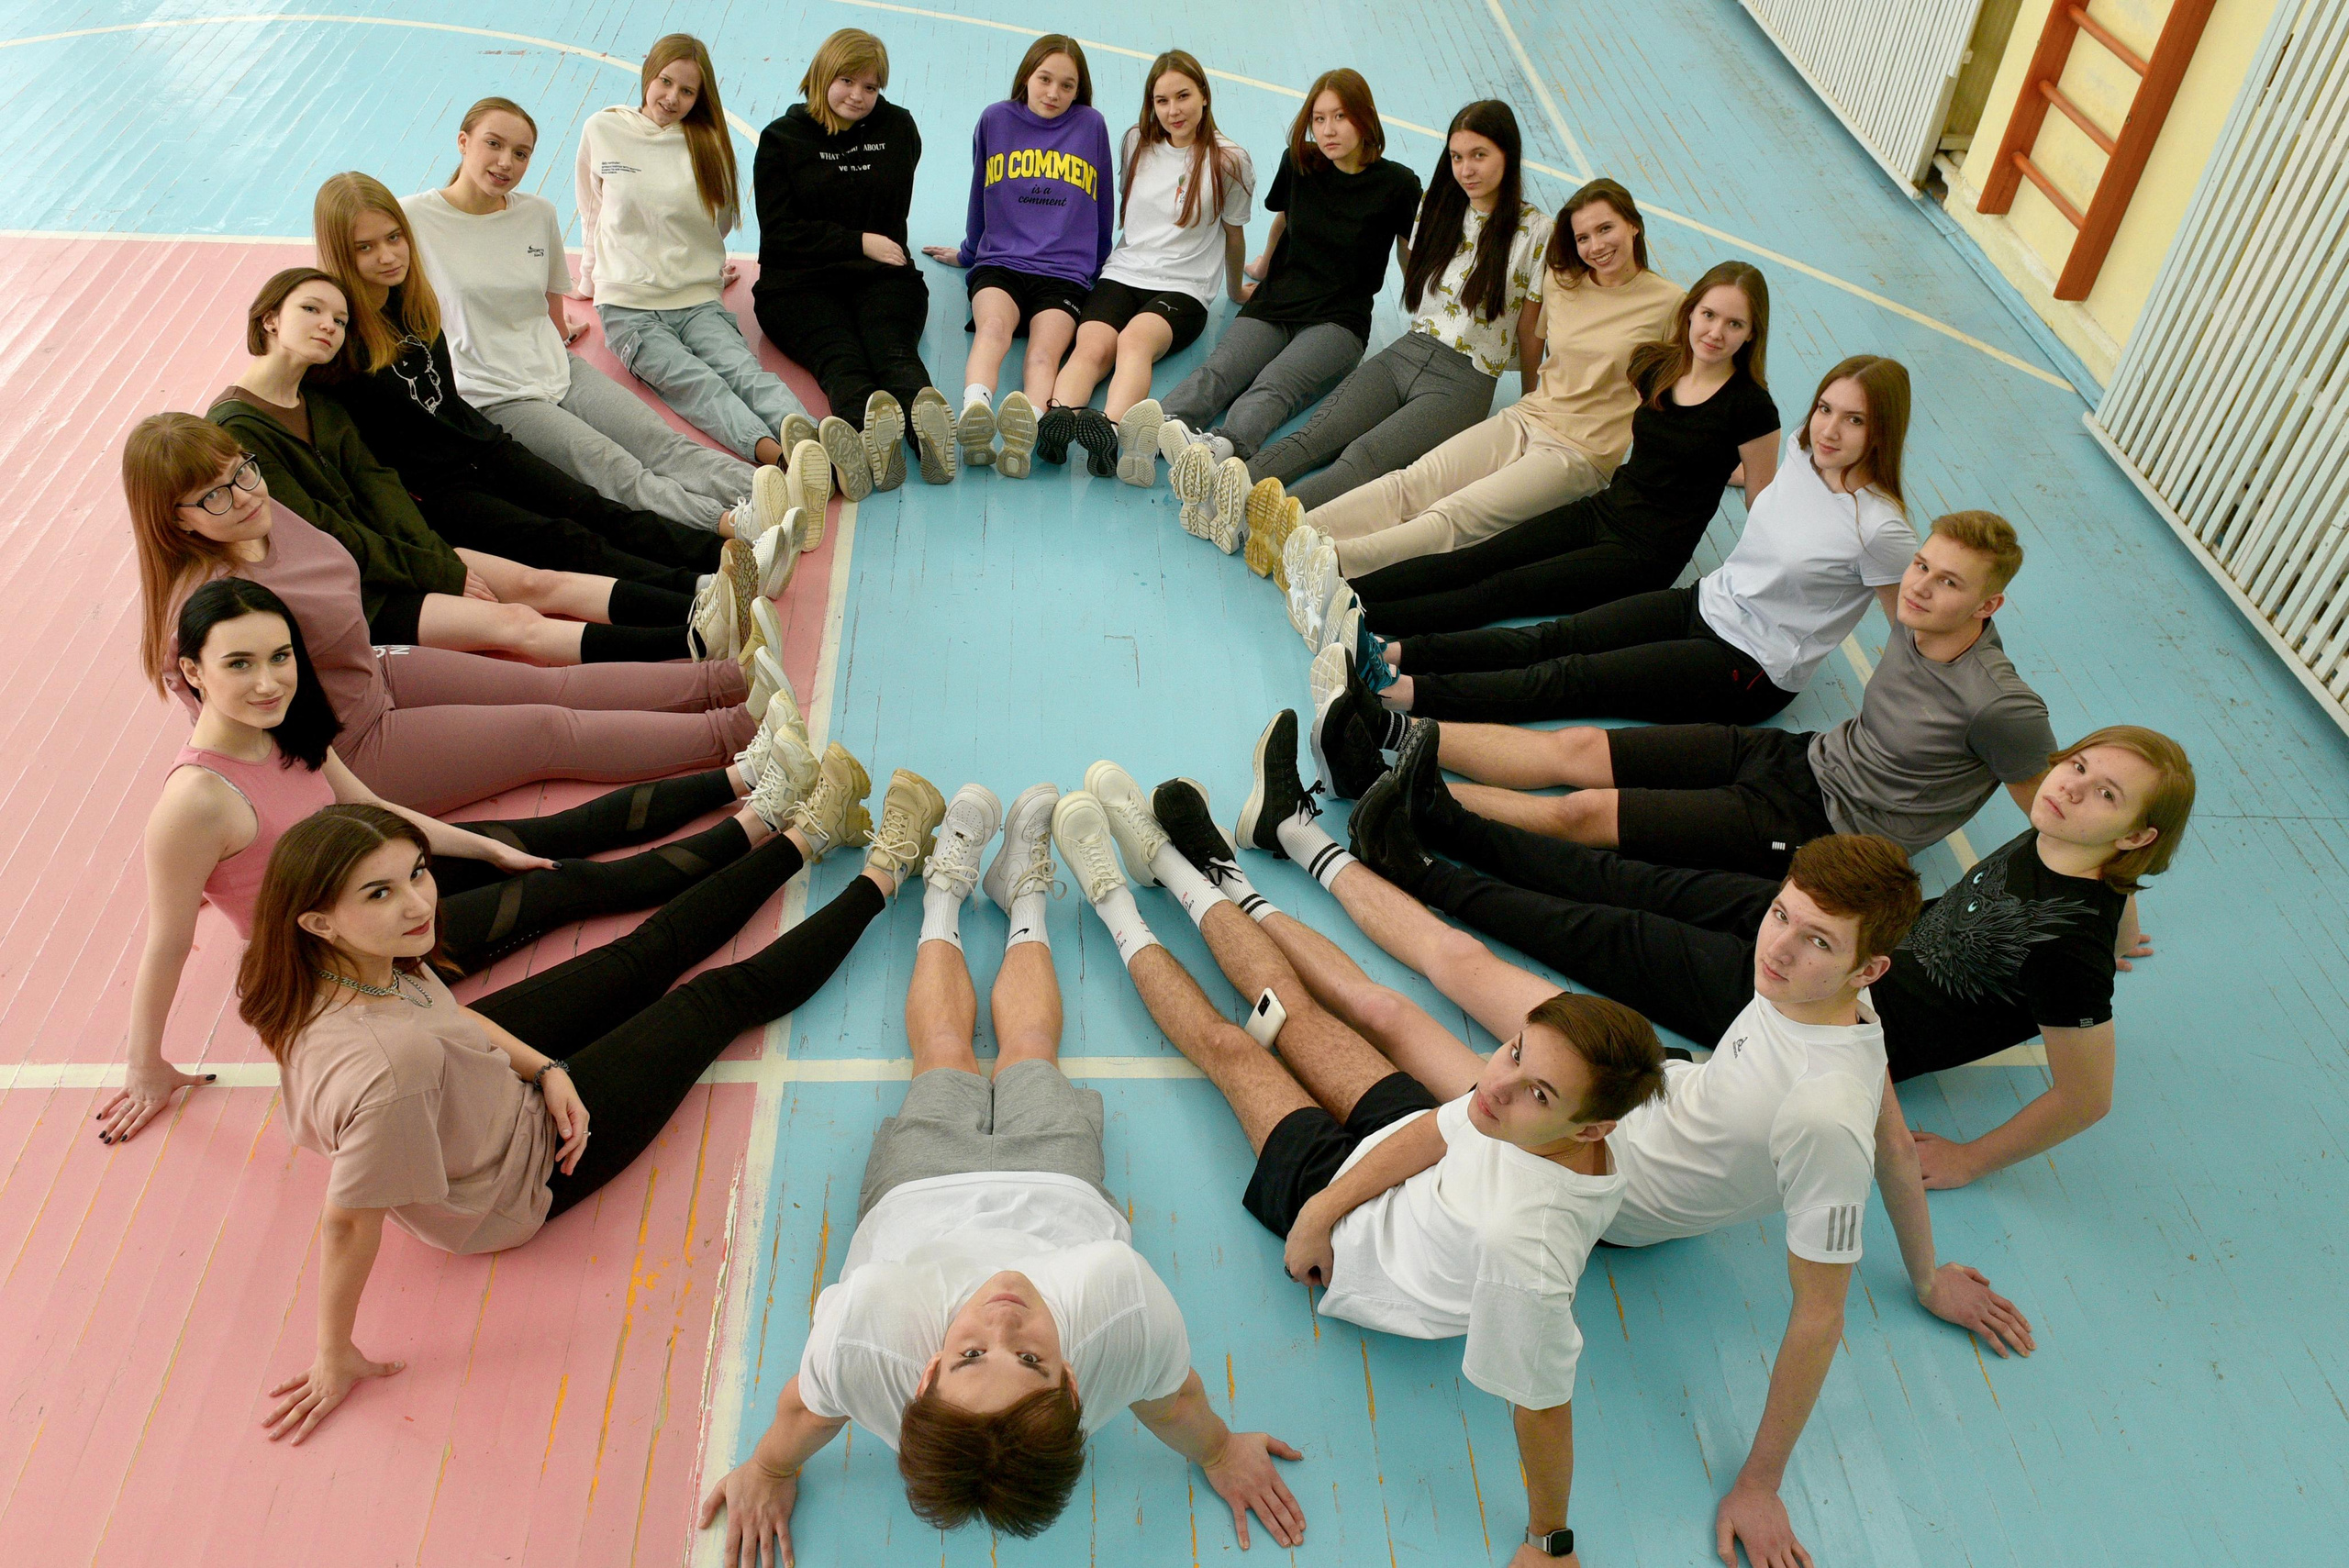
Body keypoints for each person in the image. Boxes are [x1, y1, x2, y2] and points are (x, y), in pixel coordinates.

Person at [1234, 722, 2032, 1568]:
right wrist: (1926, 1273)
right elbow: (1901, 1146)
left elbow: (1819, 1316)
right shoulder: (1846, 1012)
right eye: (1782, 915)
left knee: (1390, 1015)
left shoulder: (1820, 1114)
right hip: (1653, 1079)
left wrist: (1758, 1485)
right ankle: (1295, 833)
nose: (1780, 947)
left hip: (1590, 1153)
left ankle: (1251, 880)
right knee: (1459, 959)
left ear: (1869, 968)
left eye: (1818, 942)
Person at [1053, 751, 1661, 1568]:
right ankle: (1167, 860)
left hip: (1365, 1253)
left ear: (1590, 1129)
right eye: (1514, 1049)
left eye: (1538, 1090)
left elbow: (1544, 1407)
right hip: (1389, 1167)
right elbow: (1446, 1130)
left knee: (1231, 1045)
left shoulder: (1528, 1246)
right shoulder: (1513, 1110)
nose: (1498, 1081)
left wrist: (1549, 1541)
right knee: (1288, 1010)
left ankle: (1114, 899)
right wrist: (1326, 1201)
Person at [248, 757, 941, 1441]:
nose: (418, 903)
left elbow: (446, 1020)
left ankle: (805, 837)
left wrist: (549, 1068)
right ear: (318, 922)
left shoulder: (349, 967)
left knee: (641, 955)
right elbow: (348, 1220)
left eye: (418, 873)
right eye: (378, 893)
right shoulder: (389, 1072)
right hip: (522, 1170)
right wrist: (332, 1349)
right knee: (717, 998)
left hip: (477, 1076)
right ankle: (885, 872)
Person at [699, 780, 1305, 1562]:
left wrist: (769, 1465)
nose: (1001, 1319)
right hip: (1058, 1187)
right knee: (1028, 1052)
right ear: (1076, 1385)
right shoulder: (1114, 1301)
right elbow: (1174, 1398)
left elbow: (802, 1411)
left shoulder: (868, 1334)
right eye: (1029, 1359)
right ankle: (1024, 896)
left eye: (970, 1354)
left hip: (920, 1191)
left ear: (921, 1376)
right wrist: (1221, 1452)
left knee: (943, 1055)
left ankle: (944, 895)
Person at [99, 577, 818, 1146]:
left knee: (546, 834)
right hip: (343, 956)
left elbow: (372, 812)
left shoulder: (285, 728)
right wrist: (145, 1065)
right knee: (574, 887)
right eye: (240, 664)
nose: (268, 681)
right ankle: (761, 824)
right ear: (192, 670)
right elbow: (168, 941)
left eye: (281, 656)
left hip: (377, 879)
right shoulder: (194, 801)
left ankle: (745, 776)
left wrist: (486, 845)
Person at [1357, 715, 2194, 1185]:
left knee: (1614, 935)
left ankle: (1417, 867)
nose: (2071, 783)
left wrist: (1973, 1157)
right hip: (1838, 935)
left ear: (2136, 834)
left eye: (2104, 791)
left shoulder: (2069, 952)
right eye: (2078, 764)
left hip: (1815, 1006)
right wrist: (2126, 920)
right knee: (1637, 882)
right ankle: (1449, 818)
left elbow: (2088, 1098)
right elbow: (2116, 891)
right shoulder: (2064, 848)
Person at [1322, 511, 2056, 878]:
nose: (1922, 585)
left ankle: (1392, 789)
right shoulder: (1915, 620)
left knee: (1581, 814)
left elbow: (2055, 819)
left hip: (1825, 827)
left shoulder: (2002, 708)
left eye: (1949, 581)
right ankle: (1390, 728)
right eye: (1923, 566)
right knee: (1576, 744)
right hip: (1801, 756)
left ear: (1989, 606)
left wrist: (2109, 921)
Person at [127, 413, 766, 815]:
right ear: (173, 519)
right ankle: (737, 734)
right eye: (213, 494)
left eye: (242, 470)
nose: (242, 494)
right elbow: (236, 743)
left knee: (552, 681)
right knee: (547, 730)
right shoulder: (206, 607)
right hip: (350, 748)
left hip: (375, 670)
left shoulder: (262, 515)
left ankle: (730, 680)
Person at [210, 268, 755, 663]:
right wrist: (438, 569)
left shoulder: (322, 399)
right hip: (349, 592)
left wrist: (434, 557)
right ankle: (698, 639)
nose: (329, 325)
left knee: (540, 581)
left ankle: (709, 594)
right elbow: (327, 537)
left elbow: (378, 489)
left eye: (339, 317)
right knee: (519, 621)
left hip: (399, 552)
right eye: (311, 310)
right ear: (269, 317)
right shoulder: (239, 428)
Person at [1367, 354, 1907, 721]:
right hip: (1703, 604)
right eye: (1825, 409)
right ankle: (1392, 650)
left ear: (1883, 429)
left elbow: (1909, 632)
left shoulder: (1880, 529)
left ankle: (1405, 693)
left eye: (1854, 420)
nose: (1830, 430)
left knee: (1573, 678)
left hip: (1750, 666)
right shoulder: (1802, 454)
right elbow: (1756, 485)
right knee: (1554, 637)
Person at [315, 172, 757, 604]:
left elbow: (445, 402)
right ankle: (698, 589)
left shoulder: (410, 303)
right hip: (435, 491)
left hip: (479, 447)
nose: (388, 255)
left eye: (394, 237)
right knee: (563, 538)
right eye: (365, 247)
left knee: (588, 504)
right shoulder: (336, 343)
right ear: (338, 252)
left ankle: (723, 554)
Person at [1338, 261, 1780, 642]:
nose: (1716, 332)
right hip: (1602, 512)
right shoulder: (1659, 366)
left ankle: (1358, 617)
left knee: (1505, 588)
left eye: (1734, 324)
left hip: (1644, 555)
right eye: (1708, 315)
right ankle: (1352, 587)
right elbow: (1682, 441)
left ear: (1751, 334)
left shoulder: (1752, 408)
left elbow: (1763, 504)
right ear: (1691, 313)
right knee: (1482, 555)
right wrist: (1715, 467)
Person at [403, 96, 780, 536]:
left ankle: (766, 489)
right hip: (495, 392)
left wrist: (561, 332)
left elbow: (546, 300)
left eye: (521, 153)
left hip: (559, 367)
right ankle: (728, 524)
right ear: (463, 142)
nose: (506, 162)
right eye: (494, 144)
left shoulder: (537, 213)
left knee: (659, 441)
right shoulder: (414, 219)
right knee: (612, 467)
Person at [1283, 178, 1679, 583]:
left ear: (1634, 224)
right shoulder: (1564, 282)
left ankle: (1330, 560)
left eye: (1605, 229)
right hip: (1529, 417)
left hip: (1580, 452)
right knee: (1416, 479)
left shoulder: (1671, 305)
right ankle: (1294, 527)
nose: (1595, 246)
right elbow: (1539, 345)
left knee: (1459, 513)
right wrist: (1530, 398)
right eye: (1582, 237)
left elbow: (1698, 391)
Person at [1155, 68, 1421, 553]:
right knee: (1222, 370)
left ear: (1364, 119)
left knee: (1275, 385)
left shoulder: (1400, 185)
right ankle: (1164, 427)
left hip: (1338, 322)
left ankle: (1224, 446)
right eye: (1319, 119)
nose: (1328, 130)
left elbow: (1408, 251)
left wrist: (1421, 297)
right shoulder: (1299, 162)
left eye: (1340, 117)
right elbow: (1284, 219)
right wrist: (1259, 266)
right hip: (1279, 299)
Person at [1243, 101, 1550, 517]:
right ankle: (1232, 487)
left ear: (1508, 155)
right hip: (1409, 349)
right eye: (1457, 157)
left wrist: (1532, 402)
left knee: (1364, 457)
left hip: (1464, 380)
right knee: (1318, 433)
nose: (1466, 170)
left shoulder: (1537, 231)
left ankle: (1267, 517)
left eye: (1480, 155)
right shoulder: (1438, 207)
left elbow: (1532, 329)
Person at [577, 35, 842, 510]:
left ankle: (819, 447)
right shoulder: (603, 129)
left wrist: (703, 269)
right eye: (665, 82)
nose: (672, 98)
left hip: (696, 297)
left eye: (687, 92)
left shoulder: (706, 144)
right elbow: (592, 210)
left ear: (700, 99)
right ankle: (786, 461)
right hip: (628, 308)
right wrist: (587, 281)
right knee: (699, 386)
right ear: (648, 72)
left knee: (744, 372)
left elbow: (717, 223)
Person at [1032, 50, 1252, 483]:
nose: (1173, 110)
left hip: (1183, 288)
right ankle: (1055, 426)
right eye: (1162, 100)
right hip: (1125, 271)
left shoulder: (1229, 160)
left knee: (1134, 341)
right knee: (1091, 344)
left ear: (1204, 97)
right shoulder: (1136, 141)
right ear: (1151, 104)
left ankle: (1109, 432)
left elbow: (1234, 233)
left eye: (1183, 96)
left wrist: (1236, 291)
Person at [751, 28, 944, 489]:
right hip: (797, 284)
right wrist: (857, 241)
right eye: (847, 81)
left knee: (891, 350)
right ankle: (868, 447)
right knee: (841, 360)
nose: (858, 96)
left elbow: (890, 207)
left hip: (881, 275)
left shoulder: (898, 129)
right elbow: (779, 236)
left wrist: (867, 248)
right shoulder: (782, 139)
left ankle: (931, 436)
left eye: (871, 87)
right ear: (822, 75)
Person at [920, 34, 1113, 479]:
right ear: (1026, 77)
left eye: (1067, 85)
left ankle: (1027, 426)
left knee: (1044, 356)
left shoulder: (1091, 126)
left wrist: (1099, 269)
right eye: (1045, 79)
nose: (1053, 93)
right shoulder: (996, 120)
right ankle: (975, 411)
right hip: (1001, 262)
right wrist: (970, 252)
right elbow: (979, 193)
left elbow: (1104, 203)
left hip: (1065, 272)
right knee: (993, 329)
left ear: (1079, 89)